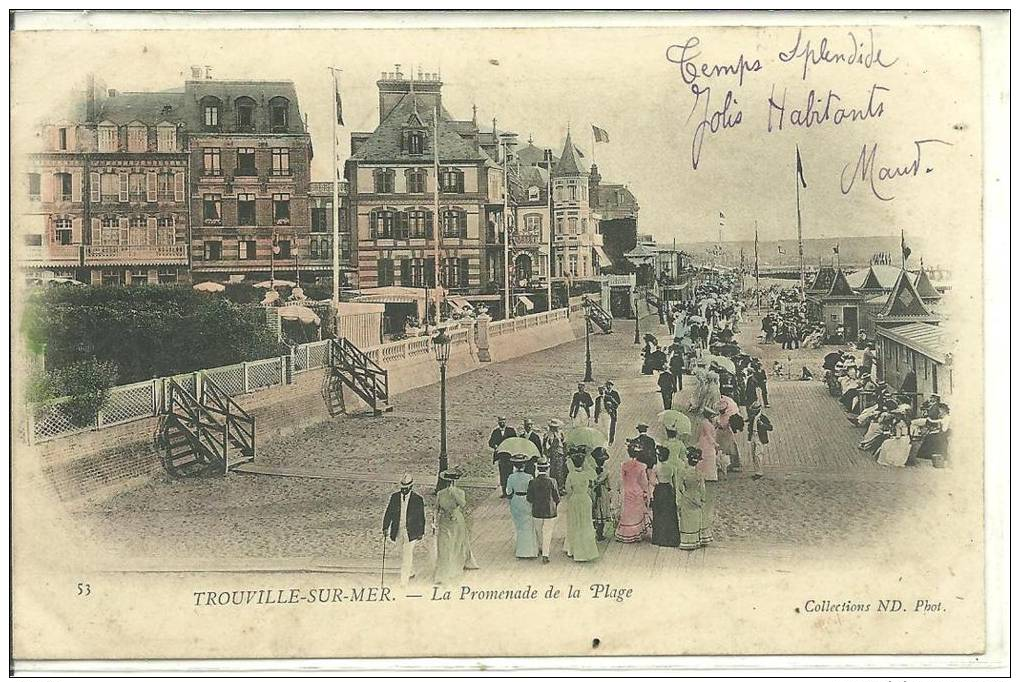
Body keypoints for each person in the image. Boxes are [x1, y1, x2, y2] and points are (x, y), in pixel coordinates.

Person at [382, 473, 427, 587]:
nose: (404, 490)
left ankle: (404, 581)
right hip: (398, 531)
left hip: (411, 532)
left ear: (411, 487)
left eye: (406, 488)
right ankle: (411, 572)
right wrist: (385, 527)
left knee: (407, 556)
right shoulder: (395, 497)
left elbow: (421, 517)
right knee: (401, 554)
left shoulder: (417, 500)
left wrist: (421, 532)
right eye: (402, 487)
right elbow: (389, 513)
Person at [433, 466, 472, 584]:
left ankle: (454, 570)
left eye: (452, 481)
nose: (450, 483)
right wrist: (433, 522)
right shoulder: (440, 493)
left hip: (457, 521)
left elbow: (463, 504)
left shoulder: (460, 492)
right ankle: (443, 573)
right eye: (449, 481)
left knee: (456, 545)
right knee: (444, 547)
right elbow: (436, 508)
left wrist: (454, 493)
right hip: (444, 521)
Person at [563, 451, 599, 562]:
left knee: (574, 523)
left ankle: (573, 549)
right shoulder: (587, 474)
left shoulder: (571, 475)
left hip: (575, 499)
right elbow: (594, 479)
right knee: (586, 523)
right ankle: (587, 550)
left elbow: (568, 490)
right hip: (585, 499)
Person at [615, 441, 652, 543]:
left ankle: (626, 532)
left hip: (627, 490)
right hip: (637, 490)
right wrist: (646, 492)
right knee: (636, 512)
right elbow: (644, 481)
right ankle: (636, 532)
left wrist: (620, 489)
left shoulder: (624, 465)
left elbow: (622, 479)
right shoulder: (642, 466)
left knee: (628, 511)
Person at [505, 454, 539, 559]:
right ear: (524, 465)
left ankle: (520, 550)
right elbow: (533, 492)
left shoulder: (511, 477)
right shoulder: (529, 477)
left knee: (519, 526)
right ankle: (530, 550)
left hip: (516, 500)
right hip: (527, 501)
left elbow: (508, 491)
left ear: (514, 466)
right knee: (529, 525)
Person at [694, 407, 720, 546]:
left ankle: (707, 473)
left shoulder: (706, 423)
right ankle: (708, 474)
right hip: (706, 443)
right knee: (708, 458)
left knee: (707, 458)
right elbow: (709, 436)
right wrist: (715, 444)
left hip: (704, 443)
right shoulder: (706, 423)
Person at [526, 458, 560, 563]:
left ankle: (540, 547)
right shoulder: (552, 481)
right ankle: (546, 554)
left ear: (537, 468)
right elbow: (557, 497)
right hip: (550, 511)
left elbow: (529, 499)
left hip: (537, 511)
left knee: (539, 532)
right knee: (547, 533)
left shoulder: (532, 482)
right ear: (547, 468)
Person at [650, 445, 681, 548]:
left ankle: (659, 538)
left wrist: (657, 483)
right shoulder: (672, 467)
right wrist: (676, 496)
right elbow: (675, 483)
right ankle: (671, 538)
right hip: (668, 490)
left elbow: (652, 481)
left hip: (659, 490)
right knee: (669, 513)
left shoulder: (656, 467)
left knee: (659, 513)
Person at [677, 447, 705, 550]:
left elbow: (680, 487)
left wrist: (684, 493)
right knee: (695, 517)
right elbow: (702, 489)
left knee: (686, 519)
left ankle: (686, 541)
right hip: (696, 496)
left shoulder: (683, 472)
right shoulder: (700, 473)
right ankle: (695, 540)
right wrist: (703, 499)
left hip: (687, 496)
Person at [487, 417, 517, 498]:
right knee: (503, 475)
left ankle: (510, 492)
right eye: (500, 421)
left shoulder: (511, 431)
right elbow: (490, 442)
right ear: (498, 422)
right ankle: (504, 492)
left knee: (510, 474)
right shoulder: (495, 432)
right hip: (501, 457)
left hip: (509, 457)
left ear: (505, 422)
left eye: (503, 421)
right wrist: (495, 445)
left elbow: (515, 441)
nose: (502, 423)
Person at [746, 400, 773, 480]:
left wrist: (762, 425)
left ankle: (759, 472)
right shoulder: (752, 416)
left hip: (760, 437)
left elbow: (770, 427)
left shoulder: (763, 418)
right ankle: (756, 471)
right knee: (753, 454)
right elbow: (750, 425)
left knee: (758, 454)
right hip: (753, 436)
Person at [590, 448, 613, 542]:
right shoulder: (606, 471)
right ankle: (600, 533)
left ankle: (595, 529)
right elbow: (608, 485)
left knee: (595, 509)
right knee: (602, 510)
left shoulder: (592, 470)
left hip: (593, 491)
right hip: (603, 491)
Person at [543, 418, 568, 495]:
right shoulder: (548, 434)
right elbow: (544, 445)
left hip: (560, 454)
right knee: (553, 471)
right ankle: (553, 488)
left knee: (560, 471)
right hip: (553, 455)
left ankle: (560, 488)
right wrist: (546, 452)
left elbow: (564, 444)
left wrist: (565, 453)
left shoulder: (560, 433)